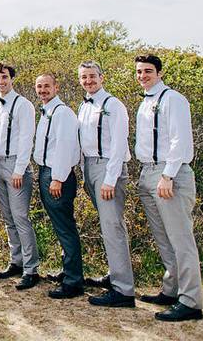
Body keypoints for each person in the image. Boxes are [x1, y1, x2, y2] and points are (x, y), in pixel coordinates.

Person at [134, 54, 203, 322]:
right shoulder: (145, 102)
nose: (143, 76)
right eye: (139, 72)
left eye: (148, 71)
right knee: (163, 237)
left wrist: (168, 175)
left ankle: (190, 301)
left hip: (169, 174)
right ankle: (172, 289)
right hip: (148, 172)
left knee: (181, 238)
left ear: (159, 73)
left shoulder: (173, 99)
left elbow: (180, 140)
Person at [77, 61, 136, 308]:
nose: (88, 81)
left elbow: (119, 144)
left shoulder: (114, 105)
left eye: (92, 76)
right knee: (106, 224)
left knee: (113, 226)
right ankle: (115, 274)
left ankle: (123, 290)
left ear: (102, 77)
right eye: (84, 77)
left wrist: (110, 179)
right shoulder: (84, 105)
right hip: (90, 167)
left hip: (108, 168)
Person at [0, 62, 40, 289]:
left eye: (5, 77)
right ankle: (16, 261)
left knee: (20, 218)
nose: (1, 81)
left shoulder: (23, 105)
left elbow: (27, 138)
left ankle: (31, 268)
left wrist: (20, 169)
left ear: (12, 79)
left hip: (16, 165)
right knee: (8, 218)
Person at [33, 74, 84, 298]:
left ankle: (73, 281)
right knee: (59, 224)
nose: (43, 90)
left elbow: (64, 146)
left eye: (47, 86)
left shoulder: (62, 113)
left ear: (56, 87)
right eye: (39, 86)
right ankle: (68, 271)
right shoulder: (46, 111)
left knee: (65, 227)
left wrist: (57, 177)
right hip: (46, 172)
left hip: (57, 175)